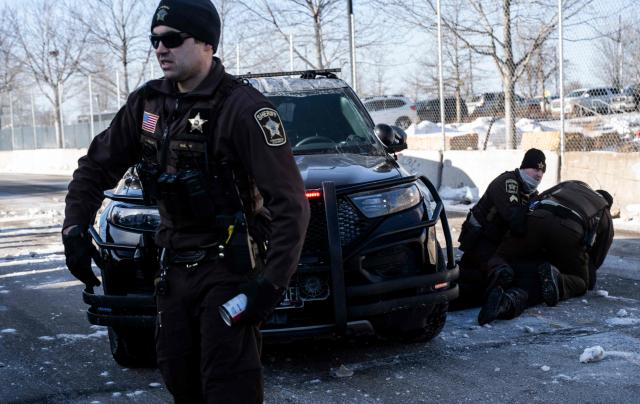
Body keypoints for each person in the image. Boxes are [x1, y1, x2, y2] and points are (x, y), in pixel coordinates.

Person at [61, 0, 310, 401]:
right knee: (179, 376)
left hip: (228, 269)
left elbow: (292, 206)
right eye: (155, 41)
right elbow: (94, 167)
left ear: (207, 43)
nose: (161, 49)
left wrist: (270, 284)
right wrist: (74, 228)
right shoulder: (148, 104)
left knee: (227, 384)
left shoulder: (244, 109)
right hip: (173, 269)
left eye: (173, 40)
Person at [477, 181, 614, 325]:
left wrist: (519, 227)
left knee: (504, 255)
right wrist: (582, 268)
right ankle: (558, 281)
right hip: (569, 232)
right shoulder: (604, 209)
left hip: (538, 218)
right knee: (581, 282)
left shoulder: (574, 184)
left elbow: (539, 196)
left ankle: (501, 269)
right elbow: (598, 256)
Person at [453, 148, 547, 309]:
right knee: (497, 277)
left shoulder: (530, 193)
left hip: (498, 247)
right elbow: (516, 221)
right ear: (524, 167)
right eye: (535, 169)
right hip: (481, 243)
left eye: (542, 171)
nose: (539, 174)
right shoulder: (508, 182)